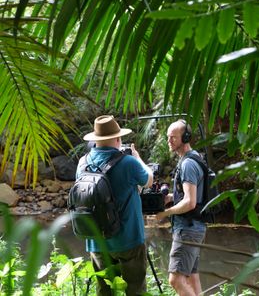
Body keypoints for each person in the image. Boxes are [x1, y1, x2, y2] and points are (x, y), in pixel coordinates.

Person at [76, 115, 153, 296]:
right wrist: (138, 158)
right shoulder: (129, 163)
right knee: (136, 290)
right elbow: (148, 181)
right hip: (129, 240)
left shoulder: (82, 163)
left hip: (97, 241)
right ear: (118, 138)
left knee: (105, 291)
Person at [156, 119, 206, 296]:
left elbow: (190, 202)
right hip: (194, 227)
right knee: (192, 276)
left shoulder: (188, 164)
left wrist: (165, 212)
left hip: (188, 228)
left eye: (173, 137)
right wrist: (170, 198)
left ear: (185, 137)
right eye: (168, 137)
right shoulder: (193, 158)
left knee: (176, 279)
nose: (169, 141)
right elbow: (189, 196)